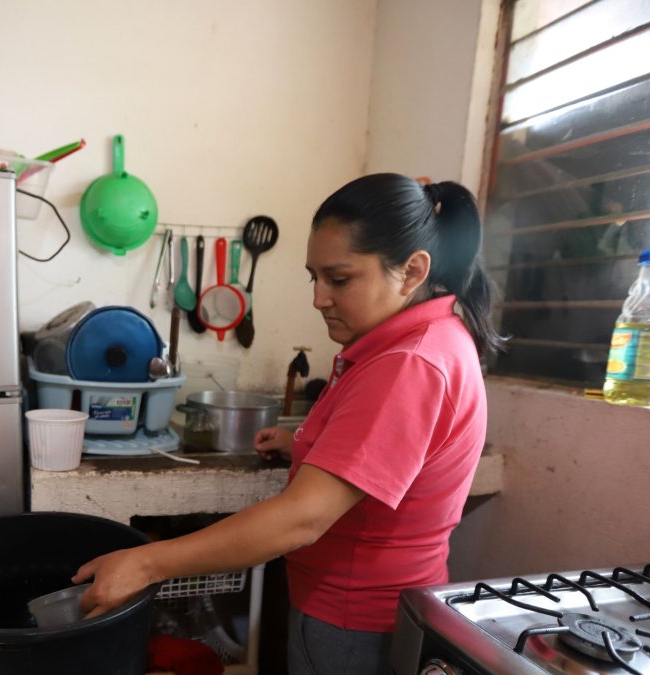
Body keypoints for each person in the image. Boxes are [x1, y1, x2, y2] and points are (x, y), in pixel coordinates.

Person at [73, 173, 504, 674]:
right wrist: (306, 445)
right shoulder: (431, 339)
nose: (319, 297)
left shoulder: (408, 362)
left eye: (339, 279)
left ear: (411, 272)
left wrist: (145, 563)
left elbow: (304, 518)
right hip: (376, 608)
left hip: (354, 622)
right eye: (313, 277)